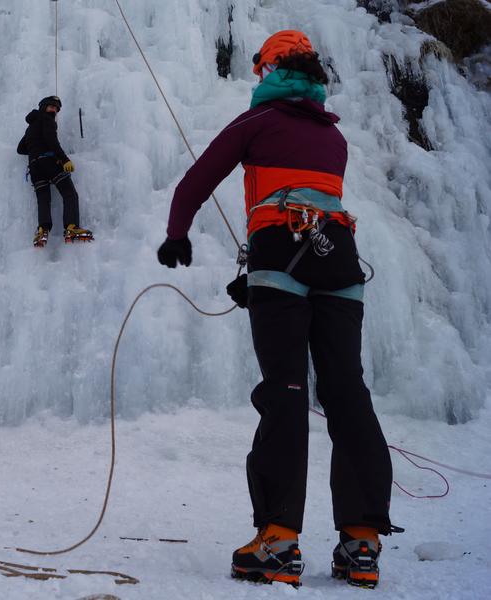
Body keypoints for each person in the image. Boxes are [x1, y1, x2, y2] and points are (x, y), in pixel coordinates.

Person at [156, 31, 394, 589]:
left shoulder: (256, 123)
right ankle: (362, 542)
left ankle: (278, 542)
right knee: (347, 392)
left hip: (280, 253)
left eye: (259, 71)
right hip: (339, 259)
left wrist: (176, 235)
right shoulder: (333, 137)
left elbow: (196, 180)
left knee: (286, 389)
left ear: (268, 72)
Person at [17, 96, 93, 247]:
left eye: (56, 108)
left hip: (34, 167)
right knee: (69, 193)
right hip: (49, 163)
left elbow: (20, 149)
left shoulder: (31, 125)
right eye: (51, 106)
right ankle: (71, 227)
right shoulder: (46, 120)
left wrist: (35, 150)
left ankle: (42, 230)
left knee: (43, 199)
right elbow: (52, 141)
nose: (54, 110)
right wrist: (64, 160)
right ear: (43, 106)